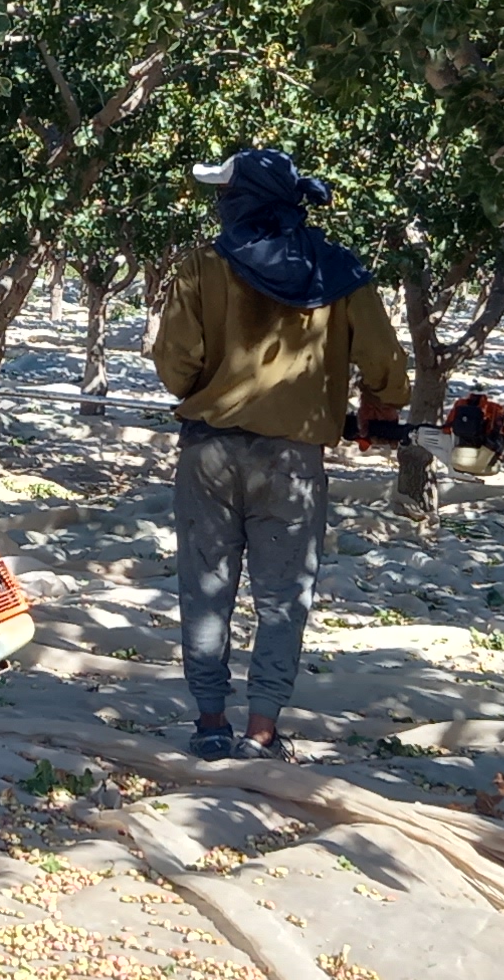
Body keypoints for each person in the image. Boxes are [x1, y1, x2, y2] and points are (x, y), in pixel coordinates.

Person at [149, 145, 407, 761]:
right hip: (293, 462)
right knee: (283, 597)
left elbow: (175, 363)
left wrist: (207, 387)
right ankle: (262, 731)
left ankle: (211, 722)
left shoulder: (202, 265)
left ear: (240, 200)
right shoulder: (338, 270)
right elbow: (383, 359)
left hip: (208, 454)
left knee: (206, 588)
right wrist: (379, 402)